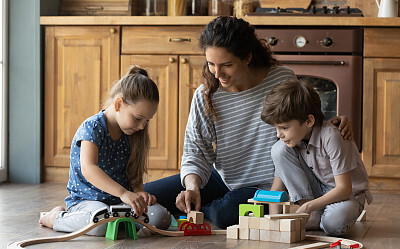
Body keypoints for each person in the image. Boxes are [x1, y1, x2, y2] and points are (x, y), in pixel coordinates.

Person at [144, 16, 352, 229]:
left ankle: (202, 210)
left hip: (268, 187)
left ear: (247, 57)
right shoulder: (206, 94)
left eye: (226, 65)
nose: (217, 73)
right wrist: (192, 187)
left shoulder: (281, 80)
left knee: (226, 213)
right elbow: (196, 150)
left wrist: (329, 124)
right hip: (224, 178)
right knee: (145, 195)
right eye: (211, 64)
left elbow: (301, 124)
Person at [39, 66, 171, 236]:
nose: (142, 126)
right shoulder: (92, 127)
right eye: (138, 118)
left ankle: (120, 222)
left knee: (161, 218)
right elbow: (88, 168)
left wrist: (139, 194)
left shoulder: (132, 132)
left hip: (120, 203)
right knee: (100, 223)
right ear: (118, 104)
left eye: (147, 120)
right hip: (88, 202)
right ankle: (56, 217)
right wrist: (123, 193)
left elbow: (134, 173)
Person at [261, 79, 372, 236]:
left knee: (333, 224)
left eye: (284, 128)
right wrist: (274, 221)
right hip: (319, 192)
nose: (279, 134)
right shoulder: (292, 140)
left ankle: (314, 214)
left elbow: (344, 190)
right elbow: (277, 187)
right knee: (278, 149)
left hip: (347, 195)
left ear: (309, 121)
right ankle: (313, 215)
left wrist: (307, 207)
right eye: (276, 128)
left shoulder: (331, 136)